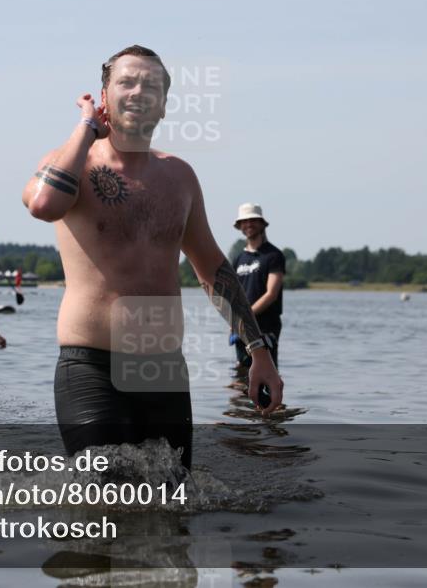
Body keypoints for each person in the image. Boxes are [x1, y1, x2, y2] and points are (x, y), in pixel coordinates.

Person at [22, 45, 283, 471]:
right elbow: (44, 203)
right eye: (126, 81)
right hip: (91, 366)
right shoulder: (71, 162)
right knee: (103, 503)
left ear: (164, 105)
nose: (139, 91)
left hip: (163, 371)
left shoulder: (179, 177)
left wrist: (259, 352)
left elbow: (211, 267)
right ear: (104, 95)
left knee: (173, 503)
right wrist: (87, 128)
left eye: (152, 85)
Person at [231, 203, 285, 369]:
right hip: (241, 327)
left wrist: (246, 316)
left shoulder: (274, 255)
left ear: (262, 223)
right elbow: (234, 295)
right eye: (244, 221)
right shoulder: (239, 259)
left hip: (265, 326)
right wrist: (233, 322)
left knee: (266, 374)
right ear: (240, 226)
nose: (248, 224)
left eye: (253, 220)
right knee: (242, 373)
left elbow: (271, 294)